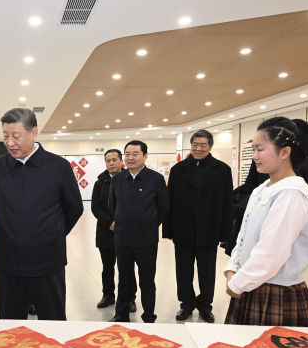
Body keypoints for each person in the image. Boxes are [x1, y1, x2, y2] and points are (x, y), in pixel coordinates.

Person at [0, 108, 83, 320]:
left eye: (16, 136)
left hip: (47, 262)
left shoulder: (58, 166)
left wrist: (53, 234)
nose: (9, 143)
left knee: (52, 322)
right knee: (10, 325)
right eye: (5, 136)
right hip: (9, 262)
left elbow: (74, 207)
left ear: (34, 132)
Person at [224, 117, 308, 326]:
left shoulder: (291, 194)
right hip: (249, 283)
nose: (254, 156)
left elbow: (272, 253)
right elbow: (244, 237)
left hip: (275, 290)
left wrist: (237, 283)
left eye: (260, 149)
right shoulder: (261, 189)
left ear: (284, 152)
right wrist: (233, 269)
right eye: (253, 149)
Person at [164, 129, 234, 323]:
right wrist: (168, 229)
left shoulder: (222, 170)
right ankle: (186, 304)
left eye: (203, 145)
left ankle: (205, 306)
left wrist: (225, 233)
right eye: (195, 145)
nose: (198, 149)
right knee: (183, 270)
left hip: (209, 229)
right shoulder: (178, 170)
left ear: (210, 146)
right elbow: (170, 201)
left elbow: (227, 203)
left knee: (207, 271)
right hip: (183, 229)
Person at [230, 118, 308, 249]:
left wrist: (306, 223)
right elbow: (250, 185)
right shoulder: (260, 185)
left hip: (283, 222)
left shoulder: (296, 188)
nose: (255, 156)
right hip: (257, 218)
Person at [109, 140, 168, 323]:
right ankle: (121, 314)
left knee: (147, 280)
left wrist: (149, 223)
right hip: (122, 238)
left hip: (146, 239)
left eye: (135, 154)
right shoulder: (117, 179)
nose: (130, 158)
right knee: (124, 278)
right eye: (127, 154)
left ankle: (149, 316)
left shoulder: (156, 179)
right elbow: (112, 205)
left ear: (145, 156)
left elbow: (163, 208)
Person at [91, 149, 122, 309]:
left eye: (114, 160)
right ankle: (108, 295)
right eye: (108, 160)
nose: (111, 163)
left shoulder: (128, 179)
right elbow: (95, 207)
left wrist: (121, 222)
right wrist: (110, 223)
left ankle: (128, 298)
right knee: (107, 268)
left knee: (126, 268)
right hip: (105, 231)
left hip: (125, 232)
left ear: (121, 161)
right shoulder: (100, 183)